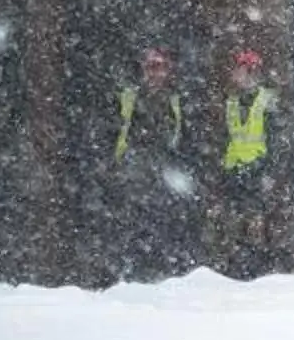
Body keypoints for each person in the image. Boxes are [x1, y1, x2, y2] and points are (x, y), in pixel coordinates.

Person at [109, 46, 197, 278]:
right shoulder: (128, 98)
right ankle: (133, 272)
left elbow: (188, 136)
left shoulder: (177, 99)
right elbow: (113, 131)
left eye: (161, 67)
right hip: (135, 169)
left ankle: (166, 270)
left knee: (166, 223)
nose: (155, 74)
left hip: (167, 170)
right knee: (134, 224)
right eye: (151, 67)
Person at [209, 47, 279, 277]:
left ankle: (257, 271)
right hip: (234, 171)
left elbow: (276, 138)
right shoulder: (231, 101)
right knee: (232, 224)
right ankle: (235, 269)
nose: (236, 75)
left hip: (257, 169)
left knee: (255, 224)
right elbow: (226, 137)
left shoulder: (265, 100)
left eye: (241, 70)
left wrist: (269, 170)